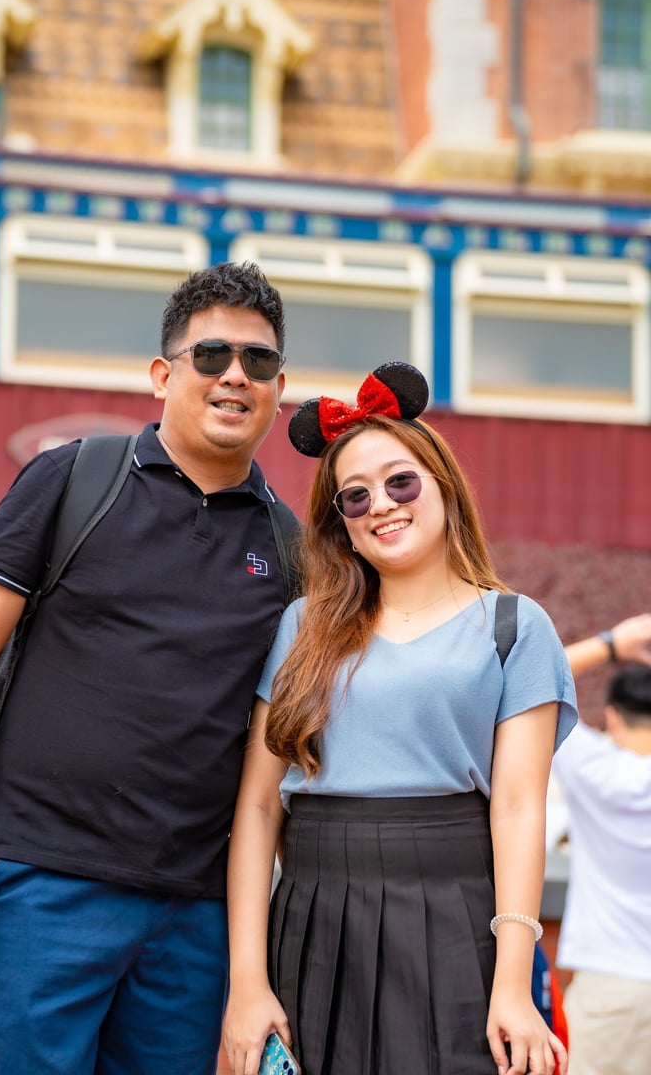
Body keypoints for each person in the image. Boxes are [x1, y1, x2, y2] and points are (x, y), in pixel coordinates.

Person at [0, 261, 300, 1075]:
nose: (235, 376)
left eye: (257, 361)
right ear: (163, 375)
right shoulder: (74, 478)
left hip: (193, 917)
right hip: (42, 882)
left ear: (278, 390)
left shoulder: (290, 547)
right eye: (211, 355)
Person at [224, 361, 577, 1075]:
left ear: (443, 486)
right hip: (312, 921)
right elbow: (258, 807)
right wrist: (248, 983)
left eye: (401, 482)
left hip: (458, 920)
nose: (380, 504)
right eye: (354, 496)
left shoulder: (515, 626)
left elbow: (517, 808)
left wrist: (513, 985)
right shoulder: (303, 627)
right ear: (342, 526)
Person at [553, 621, 651, 1075]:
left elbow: (529, 681)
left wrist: (611, 645)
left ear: (611, 715)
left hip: (611, 982)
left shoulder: (596, 769)